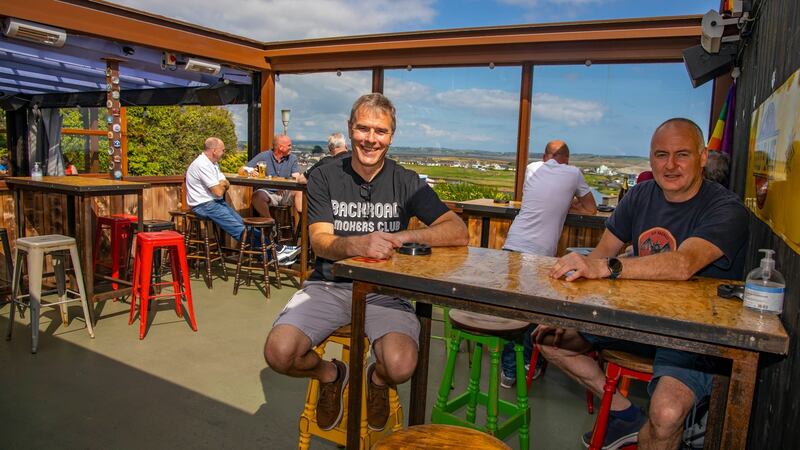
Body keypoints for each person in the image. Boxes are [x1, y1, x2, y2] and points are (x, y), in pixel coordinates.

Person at [538, 118, 748, 450]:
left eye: (682, 154)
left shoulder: (726, 208)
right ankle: (628, 418)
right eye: (661, 155)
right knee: (548, 338)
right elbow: (601, 254)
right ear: (650, 158)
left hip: (690, 333)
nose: (671, 165)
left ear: (703, 157)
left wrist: (606, 267)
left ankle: (658, 427)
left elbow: (682, 264)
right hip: (634, 319)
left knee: (665, 414)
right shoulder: (640, 196)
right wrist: (567, 308)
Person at [263, 93, 469, 433]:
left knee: (401, 366)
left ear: (391, 136)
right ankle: (331, 375)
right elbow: (319, 241)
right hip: (328, 285)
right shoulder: (324, 175)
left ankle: (375, 380)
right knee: (279, 353)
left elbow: (458, 231)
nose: (371, 139)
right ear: (349, 129)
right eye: (363, 128)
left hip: (385, 292)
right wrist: (362, 243)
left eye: (381, 131)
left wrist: (400, 238)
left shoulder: (406, 181)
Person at [498, 139, 597, 388]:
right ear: (567, 158)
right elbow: (592, 209)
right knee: (535, 312)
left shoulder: (533, 168)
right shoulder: (574, 174)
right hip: (540, 252)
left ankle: (509, 368)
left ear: (545, 157)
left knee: (513, 309)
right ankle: (525, 366)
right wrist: (569, 202)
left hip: (513, 243)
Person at [186, 137, 300, 263]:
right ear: (214, 151)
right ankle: (276, 251)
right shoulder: (202, 164)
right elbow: (219, 190)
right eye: (222, 150)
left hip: (215, 202)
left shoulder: (213, 163)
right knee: (239, 230)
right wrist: (222, 184)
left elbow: (225, 183)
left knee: (243, 225)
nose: (224, 153)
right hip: (204, 205)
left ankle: (271, 252)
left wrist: (222, 184)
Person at [238, 134, 303, 219]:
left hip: (285, 192)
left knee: (300, 191)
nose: (291, 147)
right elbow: (241, 169)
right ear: (280, 147)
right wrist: (251, 171)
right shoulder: (264, 156)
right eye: (289, 145)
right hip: (267, 193)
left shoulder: (292, 158)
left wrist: (285, 185)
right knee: (256, 196)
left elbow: (296, 177)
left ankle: (302, 221)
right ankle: (269, 223)